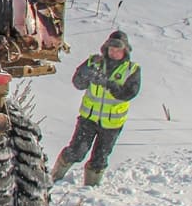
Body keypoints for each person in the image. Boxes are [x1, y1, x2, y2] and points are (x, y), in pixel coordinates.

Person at [50, 31, 141, 187]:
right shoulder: (94, 61)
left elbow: (129, 93)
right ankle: (54, 178)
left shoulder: (132, 69)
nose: (113, 52)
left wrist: (108, 83)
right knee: (76, 151)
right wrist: (85, 76)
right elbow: (77, 83)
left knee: (100, 158)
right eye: (111, 49)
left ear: (125, 51)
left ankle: (90, 188)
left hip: (112, 123)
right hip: (89, 118)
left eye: (117, 50)